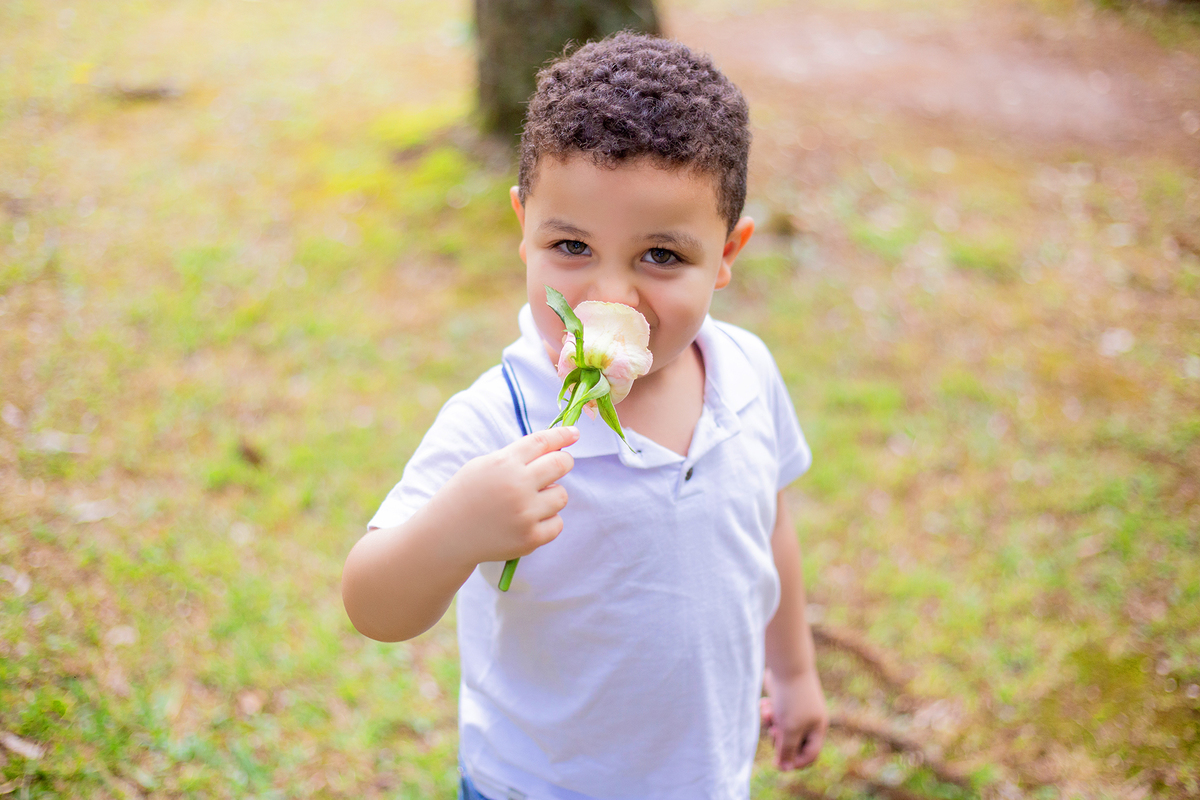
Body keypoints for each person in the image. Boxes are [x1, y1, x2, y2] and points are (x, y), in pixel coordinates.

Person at [342, 32, 828, 800]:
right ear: (523, 226)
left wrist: (793, 670)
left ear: (728, 253)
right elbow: (371, 602)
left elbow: (767, 528)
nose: (609, 297)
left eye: (661, 256)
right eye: (571, 245)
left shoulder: (745, 375)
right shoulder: (500, 419)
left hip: (706, 778)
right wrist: (457, 529)